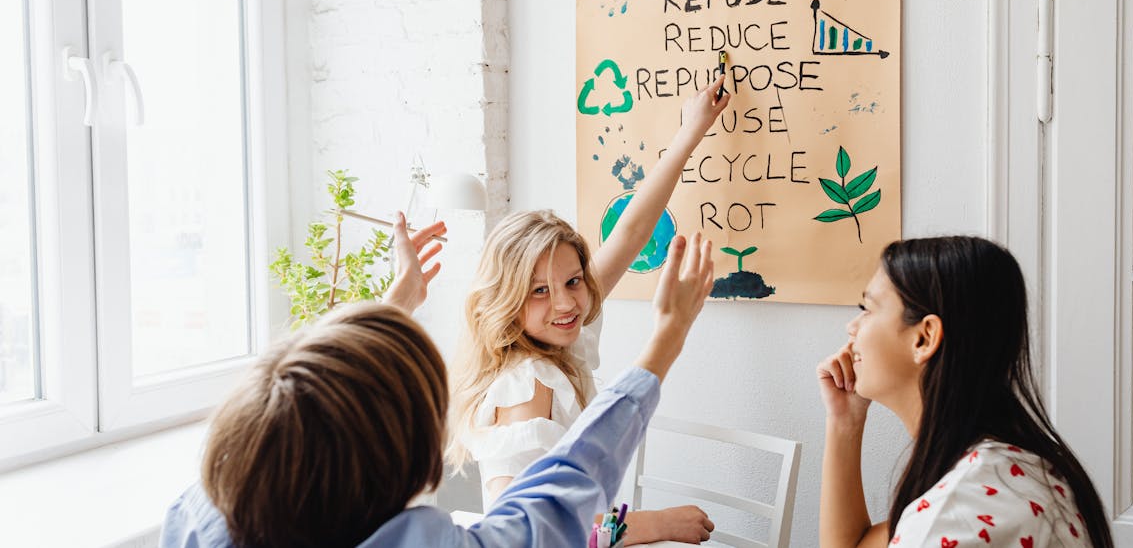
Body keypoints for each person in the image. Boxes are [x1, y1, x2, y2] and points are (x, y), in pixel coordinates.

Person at [158, 210, 716, 548]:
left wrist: (396, 302)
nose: (565, 300)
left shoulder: (200, 511)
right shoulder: (417, 537)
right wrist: (668, 335)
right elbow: (554, 502)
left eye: (571, 283)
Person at [445, 75, 729, 544]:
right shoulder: (527, 385)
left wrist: (690, 131)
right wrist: (658, 523)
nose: (565, 303)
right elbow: (526, 534)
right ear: (507, 302)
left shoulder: (565, 335)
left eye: (573, 281)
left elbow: (633, 232)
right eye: (538, 291)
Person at [816, 236, 1114, 548]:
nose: (852, 326)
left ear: (924, 338)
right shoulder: (1004, 469)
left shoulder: (960, 512)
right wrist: (844, 420)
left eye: (867, 308)